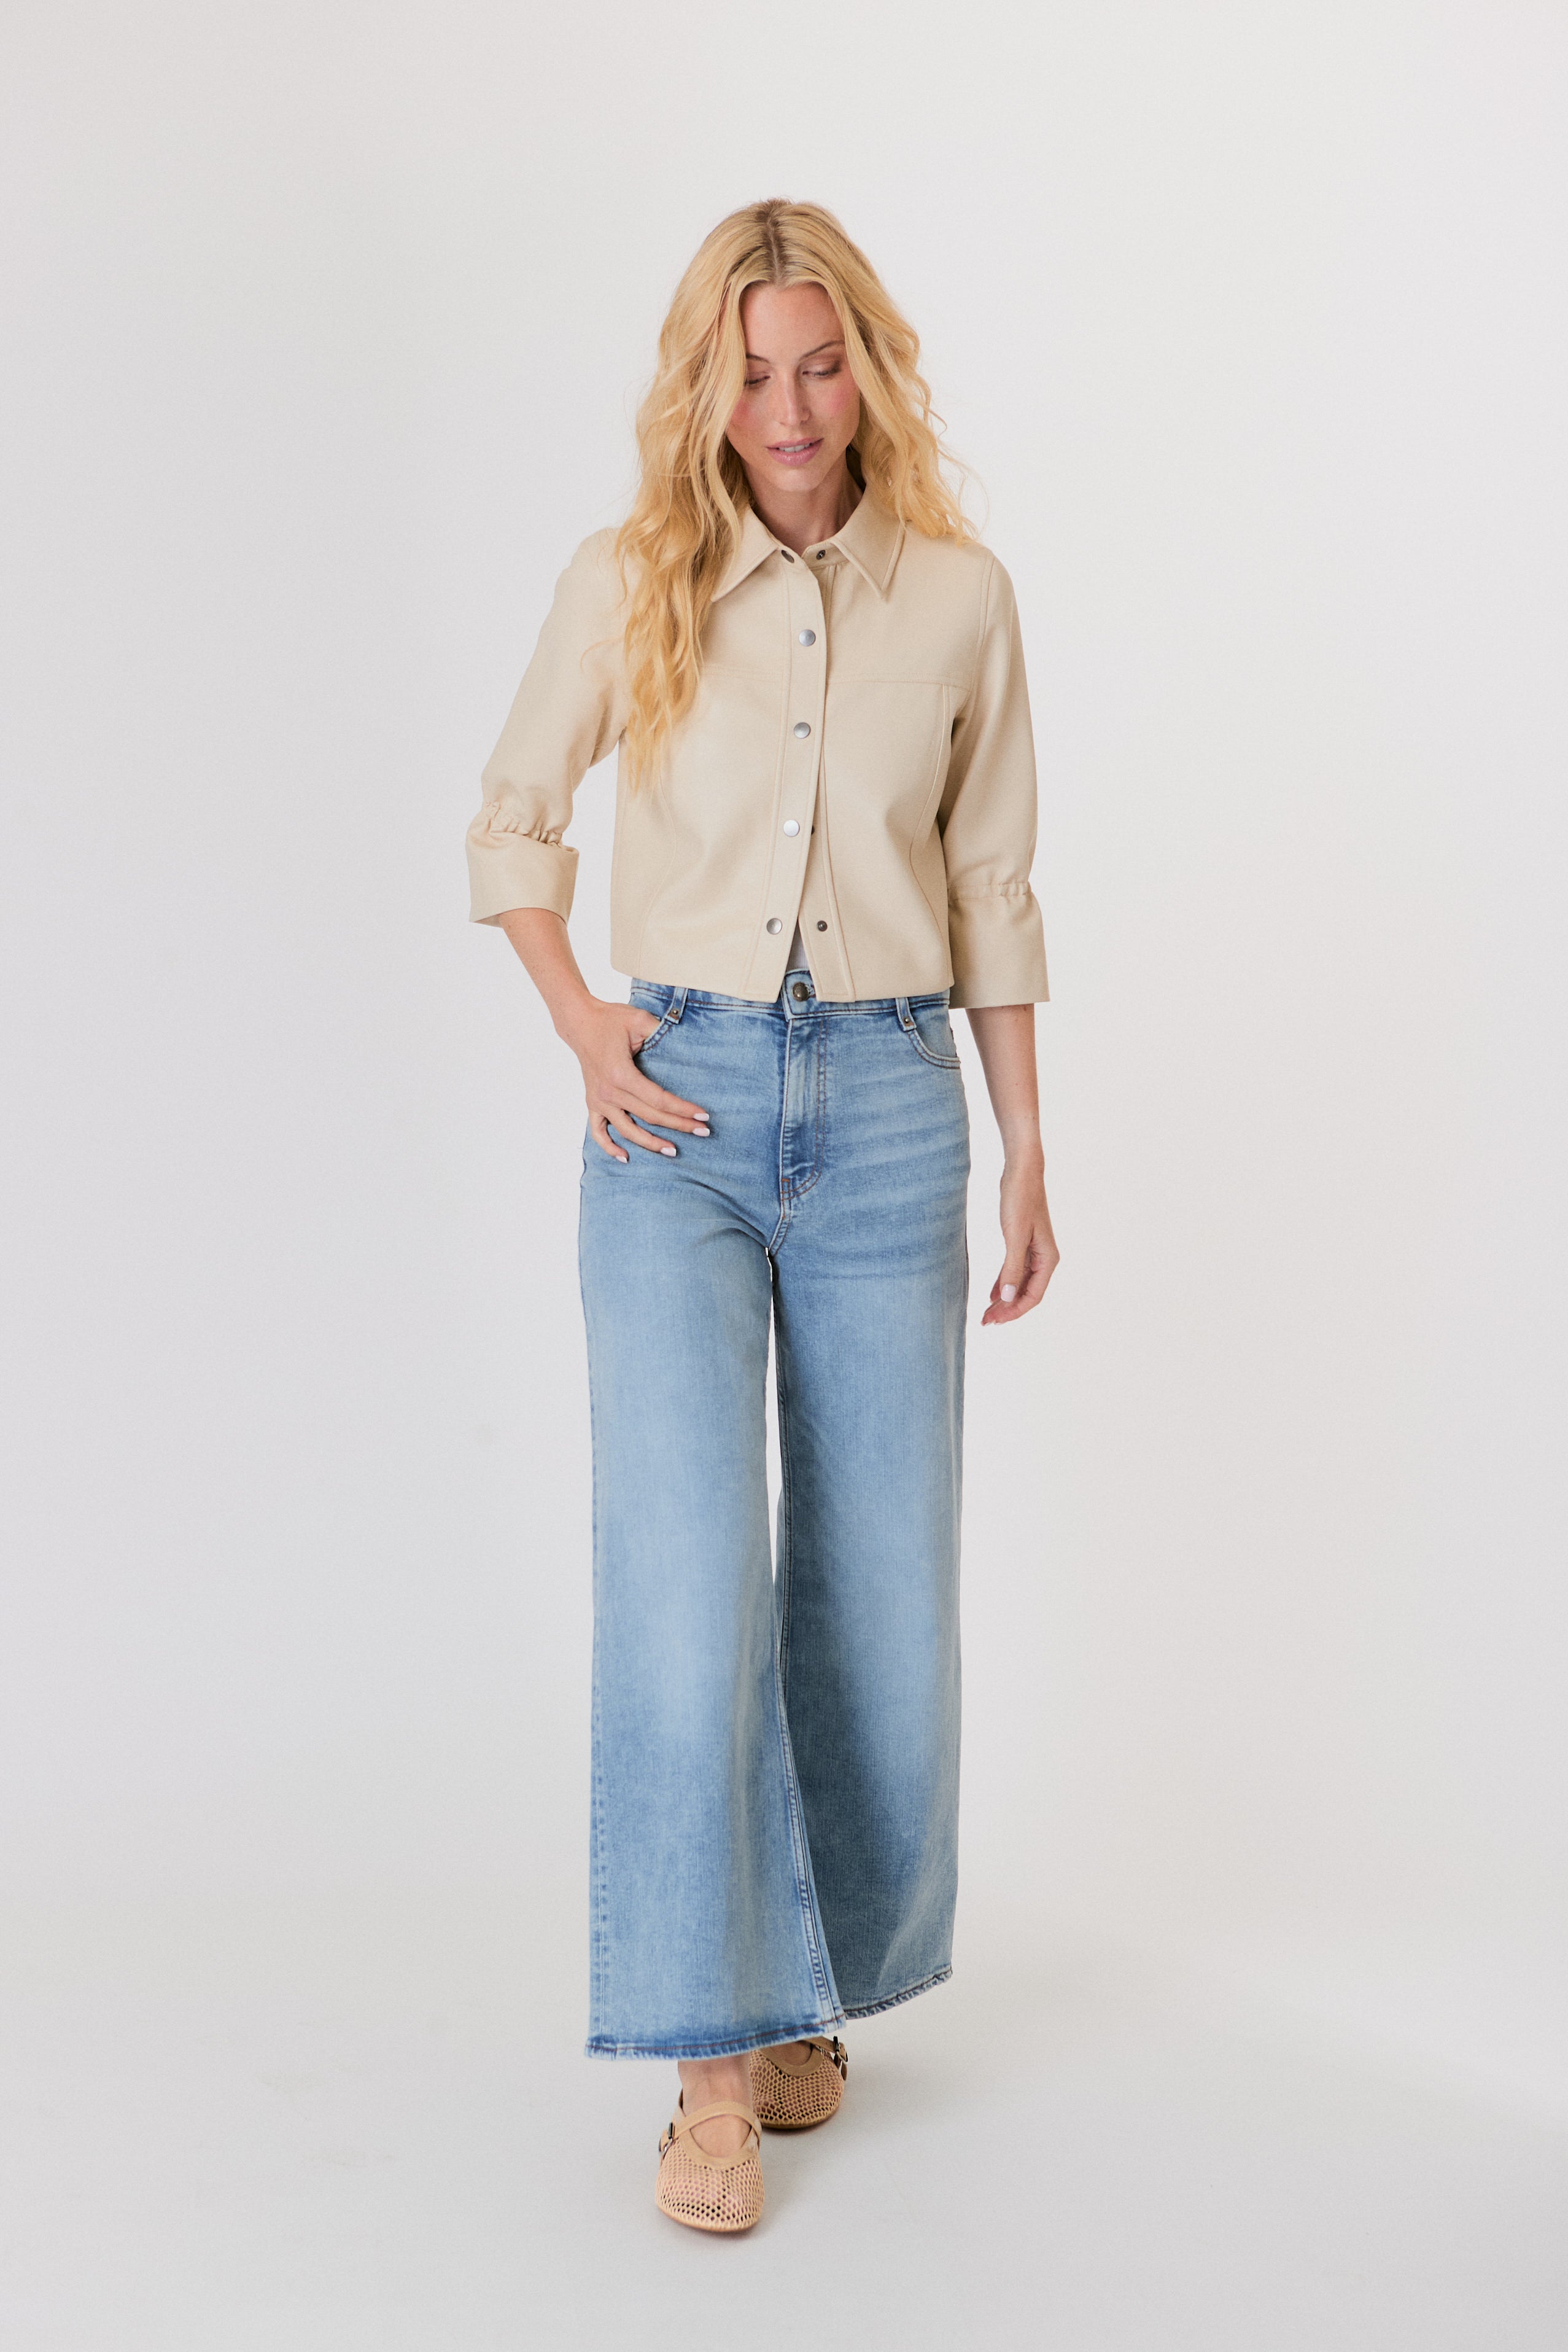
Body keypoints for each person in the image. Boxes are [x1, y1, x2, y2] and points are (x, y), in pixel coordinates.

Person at [466, 198, 1058, 2233]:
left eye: (820, 364)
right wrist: (581, 1029)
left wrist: (1029, 1147)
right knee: (684, 1578)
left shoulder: (960, 600)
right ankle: (709, 2067)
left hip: (895, 1109)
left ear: (866, 370)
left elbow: (991, 886)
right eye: (750, 369)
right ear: (701, 385)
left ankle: (813, 1988)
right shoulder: (631, 575)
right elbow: (511, 816)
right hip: (678, 1118)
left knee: (882, 1586)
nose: (788, 408)